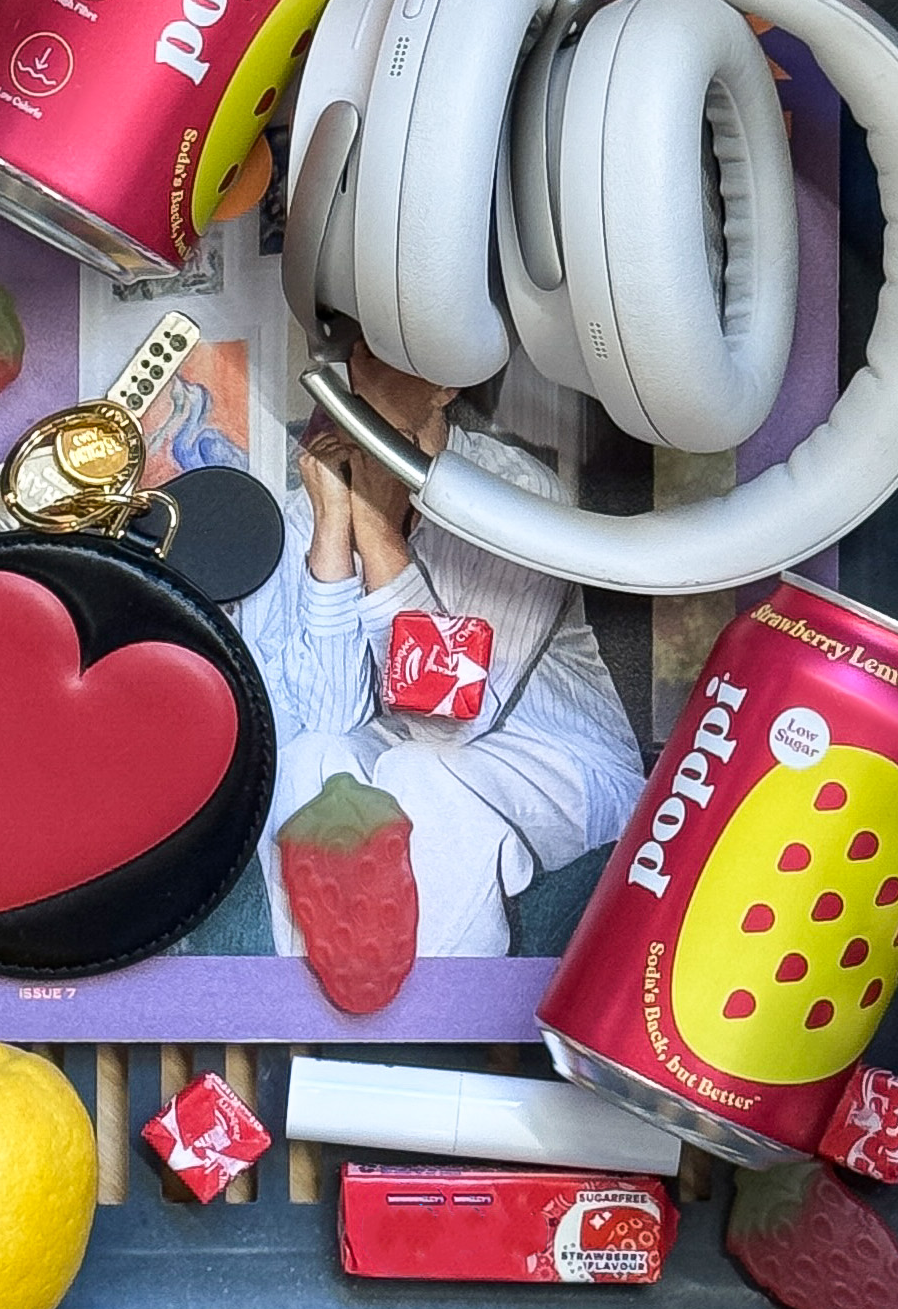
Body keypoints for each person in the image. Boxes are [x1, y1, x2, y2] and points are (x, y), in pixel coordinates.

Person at [231, 337, 645, 959]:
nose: (353, 374)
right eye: (349, 353)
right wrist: (333, 533)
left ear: (446, 384)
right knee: (309, 760)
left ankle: (435, 1025)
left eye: (378, 354)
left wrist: (375, 524)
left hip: (552, 760)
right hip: (397, 752)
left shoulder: (510, 494)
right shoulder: (308, 507)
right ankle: (309, 1017)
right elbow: (329, 717)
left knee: (420, 776)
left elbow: (447, 720)